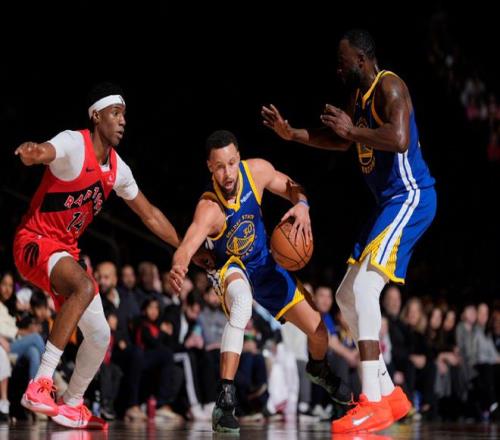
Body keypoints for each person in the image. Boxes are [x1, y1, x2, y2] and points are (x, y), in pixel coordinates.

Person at [262, 29, 436, 433]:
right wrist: (292, 134)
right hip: (388, 203)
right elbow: (340, 140)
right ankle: (389, 393)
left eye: (343, 63)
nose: (338, 70)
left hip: (412, 196)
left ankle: (372, 401)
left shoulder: (390, 87)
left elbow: (398, 138)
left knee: (366, 288)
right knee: (345, 296)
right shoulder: (358, 98)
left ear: (362, 59)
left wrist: (352, 131)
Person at [12, 82, 209, 429]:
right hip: (34, 241)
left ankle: (72, 403)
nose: (122, 121)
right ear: (96, 116)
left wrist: (185, 247)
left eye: (124, 115)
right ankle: (39, 384)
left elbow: (150, 215)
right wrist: (33, 152)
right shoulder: (74, 144)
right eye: (115, 114)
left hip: (65, 252)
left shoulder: (118, 170)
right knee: (85, 285)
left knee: (100, 335)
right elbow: (45, 151)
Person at [167, 130, 352, 433]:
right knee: (242, 304)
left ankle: (318, 368)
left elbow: (293, 188)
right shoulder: (209, 208)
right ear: (210, 167)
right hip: (230, 268)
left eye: (231, 163)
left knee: (319, 330)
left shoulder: (257, 171)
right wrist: (179, 266)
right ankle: (225, 400)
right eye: (219, 167)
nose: (228, 173)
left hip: (264, 263)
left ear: (238, 158)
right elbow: (187, 245)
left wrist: (302, 205)